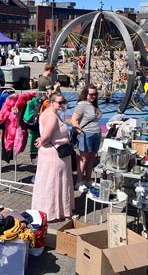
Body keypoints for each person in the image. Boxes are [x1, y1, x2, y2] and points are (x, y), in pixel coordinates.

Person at [31, 92, 75, 221]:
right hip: (54, 155)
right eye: (59, 102)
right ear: (52, 102)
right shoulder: (51, 116)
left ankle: (55, 210)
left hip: (55, 154)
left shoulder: (52, 113)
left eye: (63, 102)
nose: (62, 105)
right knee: (54, 183)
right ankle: (53, 211)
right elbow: (46, 136)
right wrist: (42, 140)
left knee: (53, 183)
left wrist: (42, 140)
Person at [71, 84, 102, 192]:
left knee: (92, 158)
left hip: (96, 134)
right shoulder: (82, 105)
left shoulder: (94, 105)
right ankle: (79, 182)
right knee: (84, 159)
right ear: (86, 94)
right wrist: (80, 132)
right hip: (86, 134)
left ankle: (88, 180)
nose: (93, 96)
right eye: (91, 94)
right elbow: (74, 120)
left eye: (95, 94)